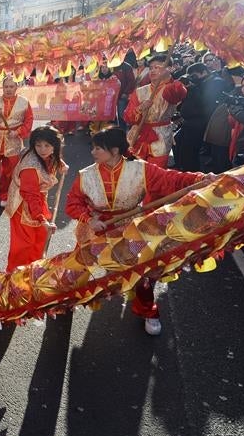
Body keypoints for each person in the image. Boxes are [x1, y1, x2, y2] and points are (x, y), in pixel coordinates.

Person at [65, 128, 211, 336]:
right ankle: (67, 298)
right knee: (81, 266)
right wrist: (90, 219)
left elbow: (172, 180)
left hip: (131, 228)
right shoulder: (86, 175)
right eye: (93, 147)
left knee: (142, 271)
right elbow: (72, 204)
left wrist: (199, 178)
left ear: (115, 150)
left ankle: (148, 311)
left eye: (98, 148)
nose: (93, 152)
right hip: (97, 229)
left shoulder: (140, 170)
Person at [5, 126, 67, 271]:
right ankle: (14, 277)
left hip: (37, 200)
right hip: (23, 203)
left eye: (47, 145)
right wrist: (42, 220)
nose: (42, 149)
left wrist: (60, 164)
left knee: (40, 238)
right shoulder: (30, 167)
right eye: (38, 145)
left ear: (55, 146)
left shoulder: (47, 155)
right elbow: (30, 195)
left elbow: (52, 157)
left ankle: (33, 271)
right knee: (24, 244)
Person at [124, 54, 188, 167]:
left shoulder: (172, 88)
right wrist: (140, 108)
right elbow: (128, 117)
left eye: (157, 67)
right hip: (138, 135)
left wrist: (168, 77)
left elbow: (177, 93)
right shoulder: (139, 91)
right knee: (135, 170)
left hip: (161, 136)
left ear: (170, 68)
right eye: (151, 68)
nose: (152, 70)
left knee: (156, 171)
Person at [0, 76, 34, 206]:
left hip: (13, 140)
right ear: (3, 88)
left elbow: (28, 121)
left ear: (16, 87)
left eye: (11, 86)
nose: (8, 89)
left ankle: (4, 195)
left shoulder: (24, 102)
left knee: (9, 172)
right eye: (6, 87)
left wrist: (18, 132)